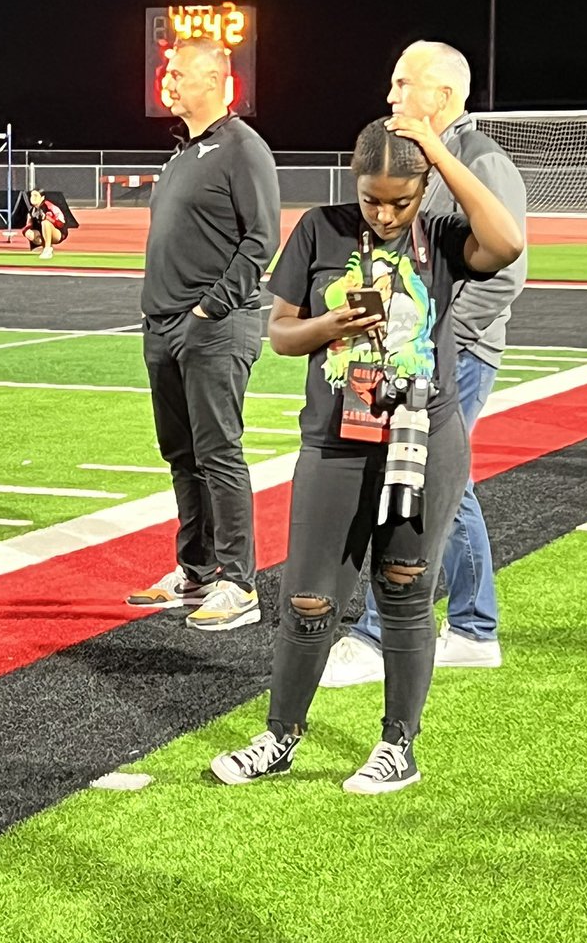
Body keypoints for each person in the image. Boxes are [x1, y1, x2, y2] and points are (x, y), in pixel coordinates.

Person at [210, 115, 523, 793]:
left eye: (400, 200)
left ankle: (397, 746)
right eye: (372, 197)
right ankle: (280, 735)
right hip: (334, 442)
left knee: (406, 590)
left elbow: (508, 240)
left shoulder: (440, 236)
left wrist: (438, 150)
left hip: (422, 439)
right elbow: (282, 335)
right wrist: (331, 326)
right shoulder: (321, 227)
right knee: (309, 599)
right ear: (352, 183)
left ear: (424, 189)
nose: (383, 213)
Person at [321, 41, 527, 688]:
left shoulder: (480, 160)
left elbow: (505, 273)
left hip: (451, 358)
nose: (391, 95)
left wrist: (442, 343)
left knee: (410, 483)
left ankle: (381, 635)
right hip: (415, 355)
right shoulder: (424, 162)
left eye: (403, 82)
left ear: (441, 96)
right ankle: (472, 627)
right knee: (445, 486)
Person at [126, 37, 281, 631]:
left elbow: (261, 239)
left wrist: (208, 311)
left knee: (219, 453)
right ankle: (194, 572)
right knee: (182, 454)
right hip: (164, 327)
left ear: (216, 80)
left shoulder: (243, 149)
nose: (168, 80)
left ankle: (237, 583)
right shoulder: (183, 154)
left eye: (179, 72)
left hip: (212, 328)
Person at [22, 189, 68, 259]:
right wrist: (27, 232)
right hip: (42, 233)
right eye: (31, 196)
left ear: (42, 197)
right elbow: (28, 225)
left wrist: (47, 218)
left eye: (36, 196)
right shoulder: (32, 211)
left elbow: (61, 224)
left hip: (58, 233)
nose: (33, 198)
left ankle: (47, 249)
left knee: (45, 223)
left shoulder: (50, 206)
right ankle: (42, 247)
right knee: (29, 233)